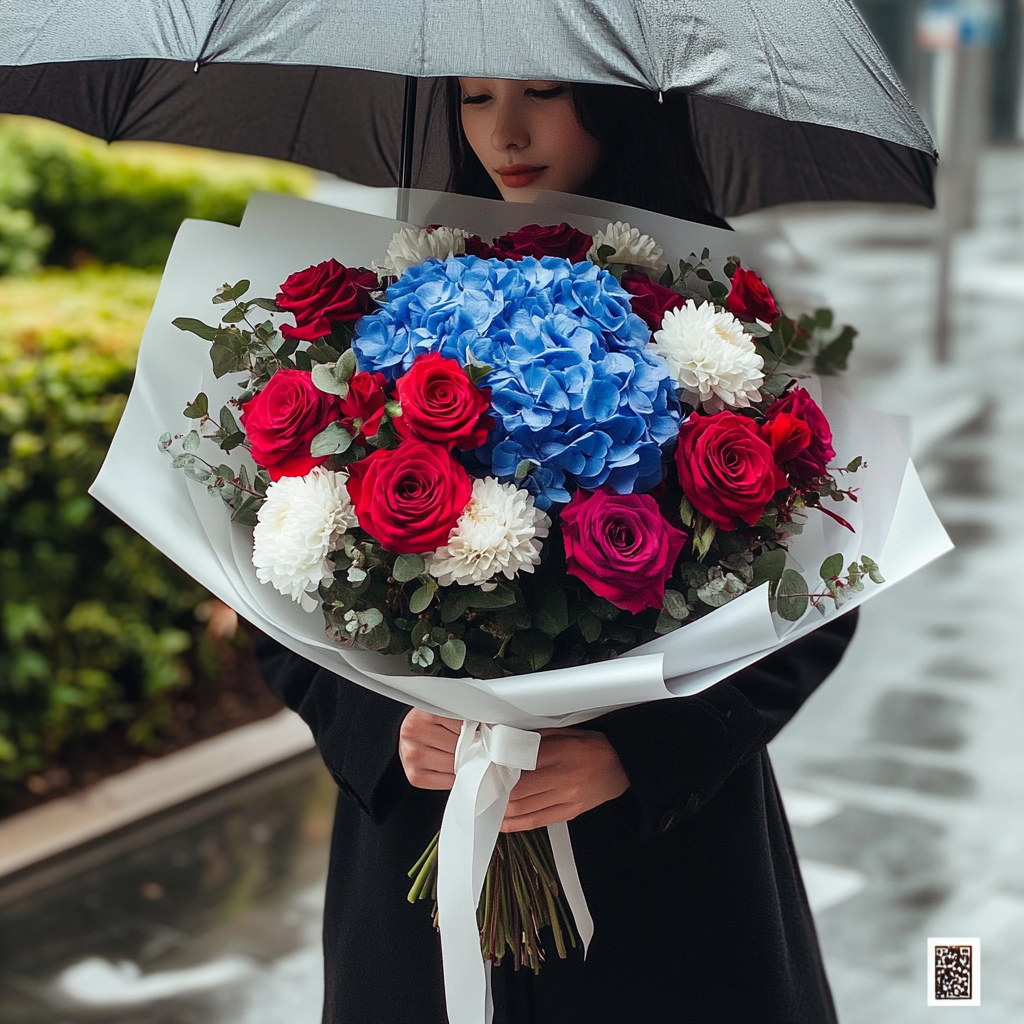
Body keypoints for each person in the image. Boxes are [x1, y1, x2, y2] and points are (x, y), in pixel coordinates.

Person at [255, 78, 857, 1024]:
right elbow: (278, 575)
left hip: (666, 875)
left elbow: (818, 597)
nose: (506, 131)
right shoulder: (387, 302)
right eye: (475, 97)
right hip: (427, 845)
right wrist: (386, 734)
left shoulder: (716, 313)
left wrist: (639, 755)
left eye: (542, 92)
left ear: (623, 100)